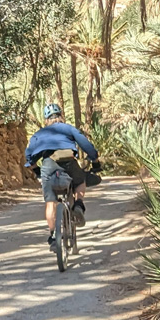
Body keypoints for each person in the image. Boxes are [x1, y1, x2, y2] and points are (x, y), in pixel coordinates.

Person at [24, 102, 101, 246]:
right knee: (80, 181)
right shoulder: (68, 128)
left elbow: (29, 156)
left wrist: (36, 170)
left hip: (49, 165)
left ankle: (53, 236)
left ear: (46, 120)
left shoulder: (39, 134)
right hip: (69, 162)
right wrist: (95, 160)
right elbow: (86, 144)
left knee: (50, 202)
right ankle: (78, 205)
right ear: (61, 116)